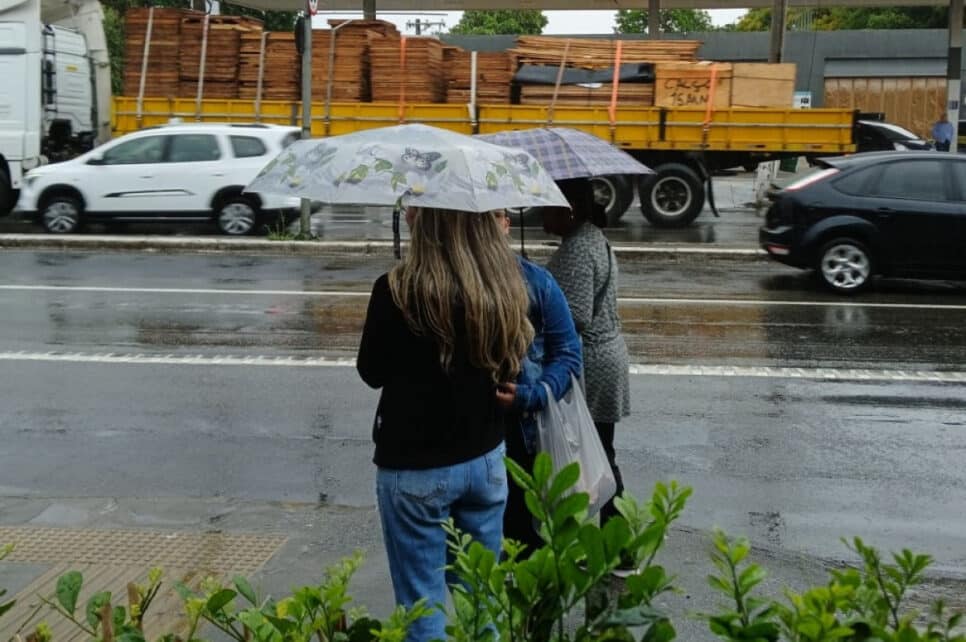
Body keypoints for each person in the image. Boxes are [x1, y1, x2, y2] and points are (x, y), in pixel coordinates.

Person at [356, 207, 534, 642]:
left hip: (415, 466)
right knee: (482, 603)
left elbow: (371, 371)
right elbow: (512, 365)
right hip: (485, 459)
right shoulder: (501, 285)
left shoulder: (396, 290)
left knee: (423, 607)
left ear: (427, 223)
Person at [492, 210, 584, 554]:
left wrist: (531, 396)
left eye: (497, 216)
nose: (488, 225)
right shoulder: (446, 287)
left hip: (524, 434)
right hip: (465, 444)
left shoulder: (537, 281)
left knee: (525, 539)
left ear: (507, 224)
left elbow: (569, 354)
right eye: (480, 217)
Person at [541, 178, 631, 526]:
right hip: (607, 356)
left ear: (569, 208)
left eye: (548, 205)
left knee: (596, 455)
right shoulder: (591, 237)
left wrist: (539, 301)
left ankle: (617, 538)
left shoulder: (577, 248)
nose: (542, 213)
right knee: (601, 452)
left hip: (591, 363)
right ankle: (615, 535)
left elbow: (576, 315)